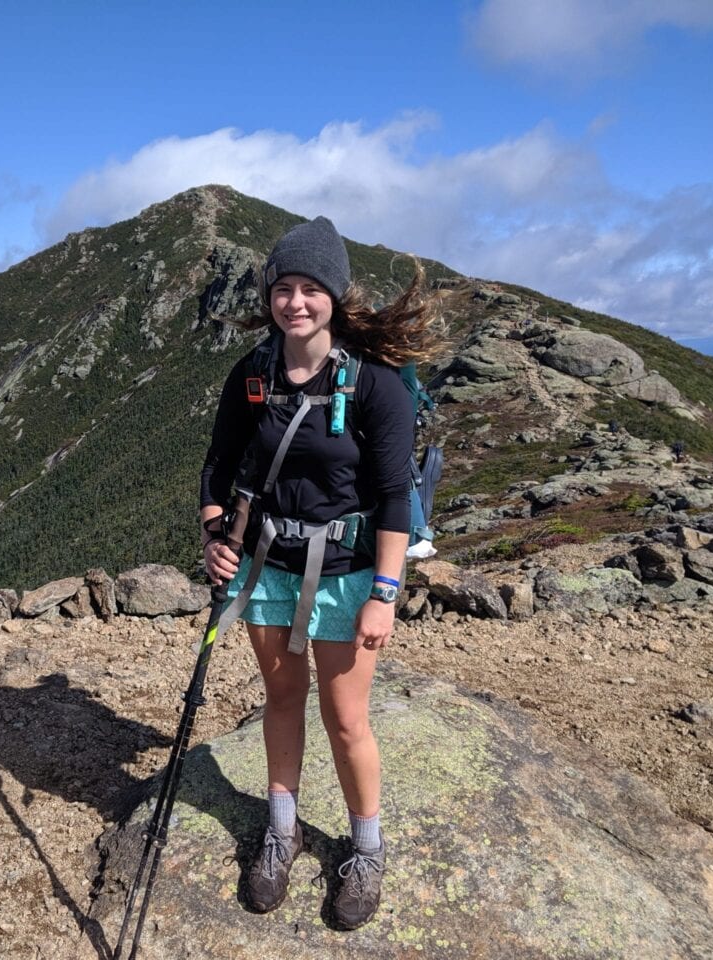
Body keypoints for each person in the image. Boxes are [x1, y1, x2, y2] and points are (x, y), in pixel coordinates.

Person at [198, 216, 441, 928]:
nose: (295, 302)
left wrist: (385, 595)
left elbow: (396, 497)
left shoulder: (376, 387)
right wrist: (216, 534)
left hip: (347, 572)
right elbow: (219, 464)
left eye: (310, 289)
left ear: (334, 296)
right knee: (280, 697)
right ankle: (283, 829)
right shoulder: (252, 375)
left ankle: (366, 847)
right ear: (269, 294)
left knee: (344, 717)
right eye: (284, 288)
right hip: (269, 565)